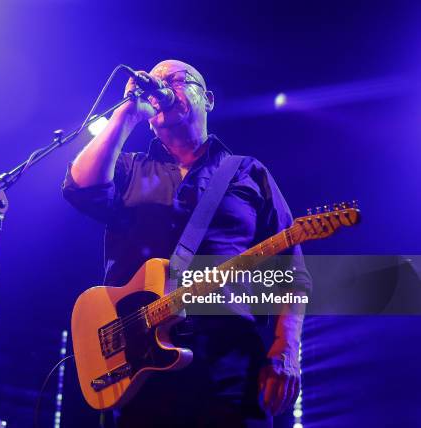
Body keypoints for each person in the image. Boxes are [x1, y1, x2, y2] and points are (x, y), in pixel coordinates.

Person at [62, 60, 311, 427]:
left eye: (175, 80)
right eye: (156, 83)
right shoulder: (129, 167)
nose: (161, 88)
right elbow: (79, 189)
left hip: (229, 366)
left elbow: (291, 271)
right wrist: (127, 113)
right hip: (139, 368)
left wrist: (286, 348)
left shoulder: (248, 172)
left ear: (207, 99)